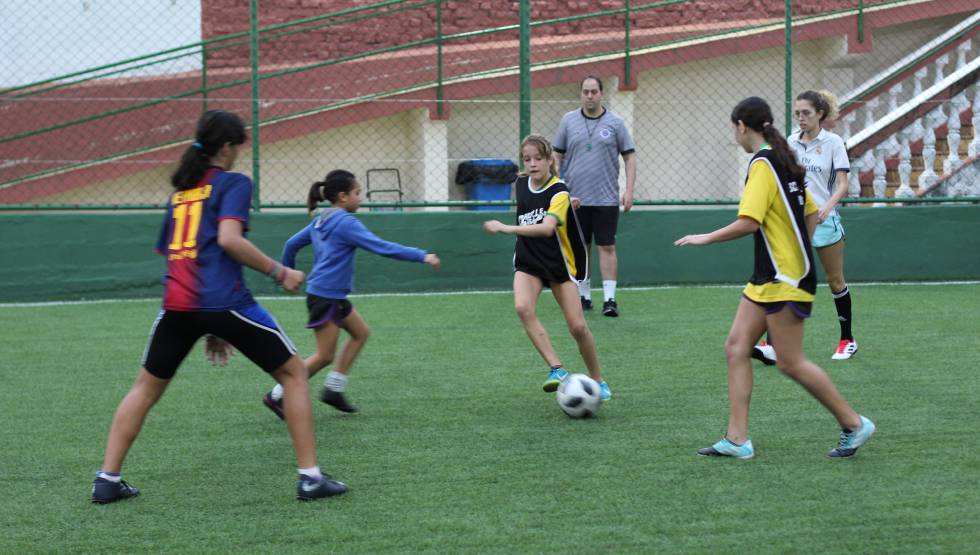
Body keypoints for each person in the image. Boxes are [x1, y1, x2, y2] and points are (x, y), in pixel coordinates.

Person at [92, 110, 347, 504]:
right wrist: (280, 272)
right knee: (294, 373)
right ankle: (311, 478)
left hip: (176, 304)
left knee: (145, 387)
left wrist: (208, 327)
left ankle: (107, 479)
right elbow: (228, 240)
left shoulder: (180, 194)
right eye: (238, 147)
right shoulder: (233, 184)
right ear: (227, 147)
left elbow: (185, 256)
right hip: (225, 301)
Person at [674, 97, 874, 459]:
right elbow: (811, 212)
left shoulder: (763, 164)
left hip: (786, 278)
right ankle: (737, 440)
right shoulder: (783, 158)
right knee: (736, 348)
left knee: (789, 361)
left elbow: (749, 221)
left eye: (732, 128)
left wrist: (706, 237)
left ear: (740, 127)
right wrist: (794, 245)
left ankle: (854, 423)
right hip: (770, 277)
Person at [262, 170, 440, 417]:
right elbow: (382, 247)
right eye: (358, 193)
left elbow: (291, 244)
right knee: (324, 356)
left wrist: (287, 273)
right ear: (343, 197)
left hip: (330, 295)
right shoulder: (346, 223)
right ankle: (276, 395)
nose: (362, 199)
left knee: (360, 333)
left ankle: (334, 389)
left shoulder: (321, 219)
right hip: (326, 296)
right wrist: (422, 255)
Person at [483, 134, 611, 400]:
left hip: (559, 265)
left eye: (538, 158)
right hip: (528, 261)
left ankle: (598, 380)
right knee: (522, 307)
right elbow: (541, 203)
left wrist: (507, 228)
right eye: (527, 159)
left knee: (577, 326)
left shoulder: (559, 190)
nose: (532, 164)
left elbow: (547, 227)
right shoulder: (520, 183)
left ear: (550, 160)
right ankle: (557, 368)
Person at [753, 90, 857, 365]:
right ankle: (772, 344)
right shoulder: (789, 142)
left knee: (835, 281)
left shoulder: (834, 142)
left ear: (820, 114)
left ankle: (848, 339)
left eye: (806, 113)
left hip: (825, 221)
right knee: (785, 277)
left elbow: (843, 185)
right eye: (797, 113)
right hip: (796, 222)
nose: (800, 118)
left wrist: (826, 207)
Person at [553, 75, 637, 317]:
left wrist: (629, 190)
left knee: (607, 247)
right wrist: (560, 189)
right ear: (580, 94)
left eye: (594, 92)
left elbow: (630, 157)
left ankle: (610, 300)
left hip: (606, 199)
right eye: (585, 92)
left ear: (601, 94)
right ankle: (584, 296)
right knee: (581, 248)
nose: (589, 96)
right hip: (574, 200)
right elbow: (556, 155)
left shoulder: (616, 123)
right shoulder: (568, 121)